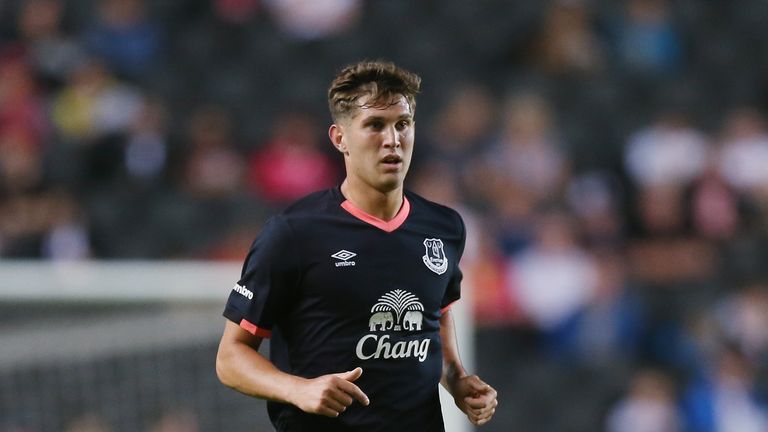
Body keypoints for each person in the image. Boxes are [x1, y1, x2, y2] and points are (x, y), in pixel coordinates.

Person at [216, 60, 498, 431]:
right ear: (340, 138)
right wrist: (298, 389)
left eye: (403, 124)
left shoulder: (444, 227)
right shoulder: (293, 233)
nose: (393, 139)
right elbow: (231, 357)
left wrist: (457, 378)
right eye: (375, 125)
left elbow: (436, 318)